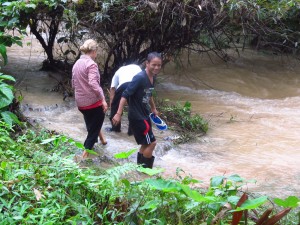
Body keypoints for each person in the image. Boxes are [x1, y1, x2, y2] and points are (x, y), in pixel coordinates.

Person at [112, 52, 162, 168]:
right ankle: (146, 171)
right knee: (152, 143)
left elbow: (149, 94)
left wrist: (154, 108)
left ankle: (139, 170)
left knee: (145, 144)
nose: (156, 67)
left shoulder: (151, 77)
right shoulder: (139, 77)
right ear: (147, 63)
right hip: (138, 117)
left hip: (144, 115)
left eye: (159, 65)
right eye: (154, 65)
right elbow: (125, 94)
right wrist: (118, 113)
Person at [72, 39, 108, 158]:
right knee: (93, 130)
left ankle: (103, 141)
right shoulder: (91, 64)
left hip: (80, 102)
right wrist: (102, 99)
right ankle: (84, 157)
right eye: (96, 51)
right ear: (93, 51)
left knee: (93, 124)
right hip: (92, 103)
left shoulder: (77, 63)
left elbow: (73, 82)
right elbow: (93, 83)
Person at [109, 64, 142, 133]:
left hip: (124, 86)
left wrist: (112, 104)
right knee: (135, 109)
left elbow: (112, 89)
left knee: (115, 108)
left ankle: (115, 129)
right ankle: (132, 132)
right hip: (137, 86)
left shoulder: (118, 71)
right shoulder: (138, 68)